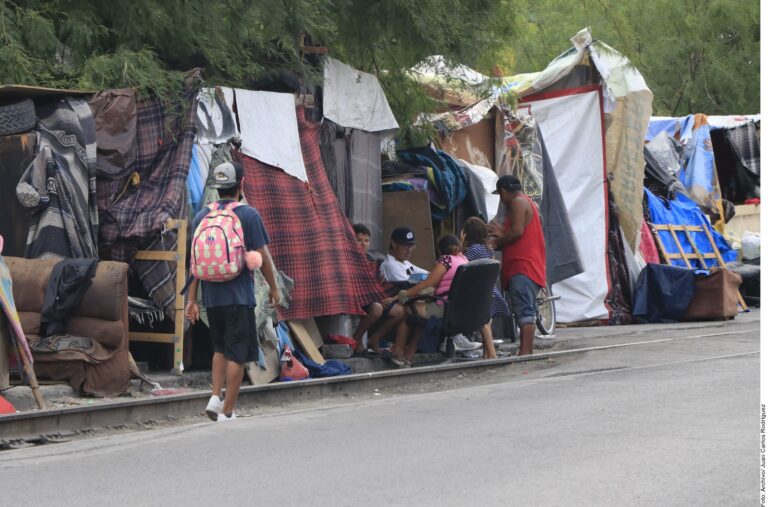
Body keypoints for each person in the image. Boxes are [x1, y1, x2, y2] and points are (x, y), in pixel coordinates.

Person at [185, 161, 281, 422]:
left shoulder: (201, 215)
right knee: (237, 353)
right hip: (239, 298)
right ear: (241, 184)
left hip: (212, 299)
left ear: (217, 187)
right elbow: (263, 257)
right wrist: (274, 288)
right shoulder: (248, 215)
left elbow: (194, 263)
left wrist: (191, 300)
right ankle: (228, 410)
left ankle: (215, 397)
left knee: (219, 348)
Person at [384, 234, 482, 367]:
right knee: (419, 310)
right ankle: (409, 354)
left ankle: (399, 352)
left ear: (440, 251)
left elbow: (426, 284)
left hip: (444, 310)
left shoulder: (446, 260)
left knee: (408, 309)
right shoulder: (464, 260)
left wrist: (401, 295)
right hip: (463, 311)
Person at [487, 175, 546, 356]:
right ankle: (525, 350)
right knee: (527, 309)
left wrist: (497, 243)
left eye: (500, 195)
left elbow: (517, 232)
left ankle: (525, 351)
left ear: (504, 191)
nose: (501, 200)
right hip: (526, 266)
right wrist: (503, 232)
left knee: (525, 310)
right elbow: (517, 231)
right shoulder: (525, 202)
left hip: (523, 266)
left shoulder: (517, 203)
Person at [350, 223, 406, 356]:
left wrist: (390, 296)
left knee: (400, 310)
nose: (363, 244)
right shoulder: (349, 260)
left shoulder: (370, 259)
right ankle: (356, 340)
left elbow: (379, 282)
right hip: (357, 297)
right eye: (359, 240)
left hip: (373, 296)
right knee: (377, 308)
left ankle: (374, 340)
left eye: (366, 241)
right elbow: (358, 285)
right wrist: (378, 298)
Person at [461, 216, 512, 359]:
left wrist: (460, 242)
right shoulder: (488, 250)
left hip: (480, 297)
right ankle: (487, 355)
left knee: (483, 324)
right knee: (485, 324)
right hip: (492, 295)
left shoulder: (471, 251)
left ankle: (492, 355)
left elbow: (460, 264)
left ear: (466, 234)